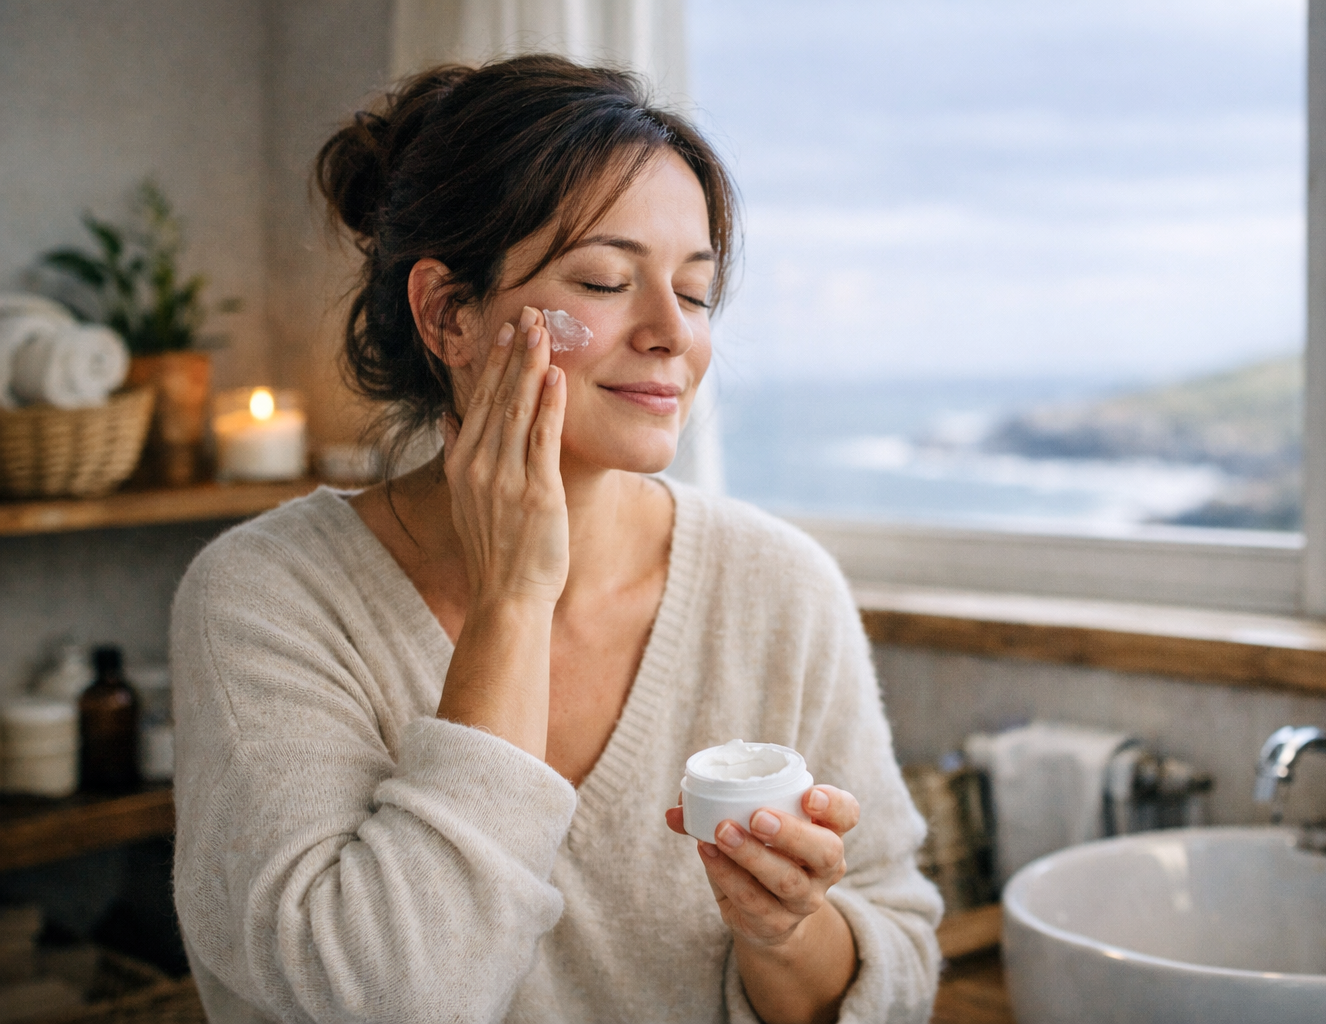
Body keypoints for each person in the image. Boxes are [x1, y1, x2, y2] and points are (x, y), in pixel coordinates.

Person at [171, 54, 941, 1024]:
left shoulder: (779, 585)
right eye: (607, 279)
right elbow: (380, 1002)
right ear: (450, 313)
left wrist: (786, 929)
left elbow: (900, 968)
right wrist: (512, 602)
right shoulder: (265, 596)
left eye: (696, 292)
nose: (673, 333)